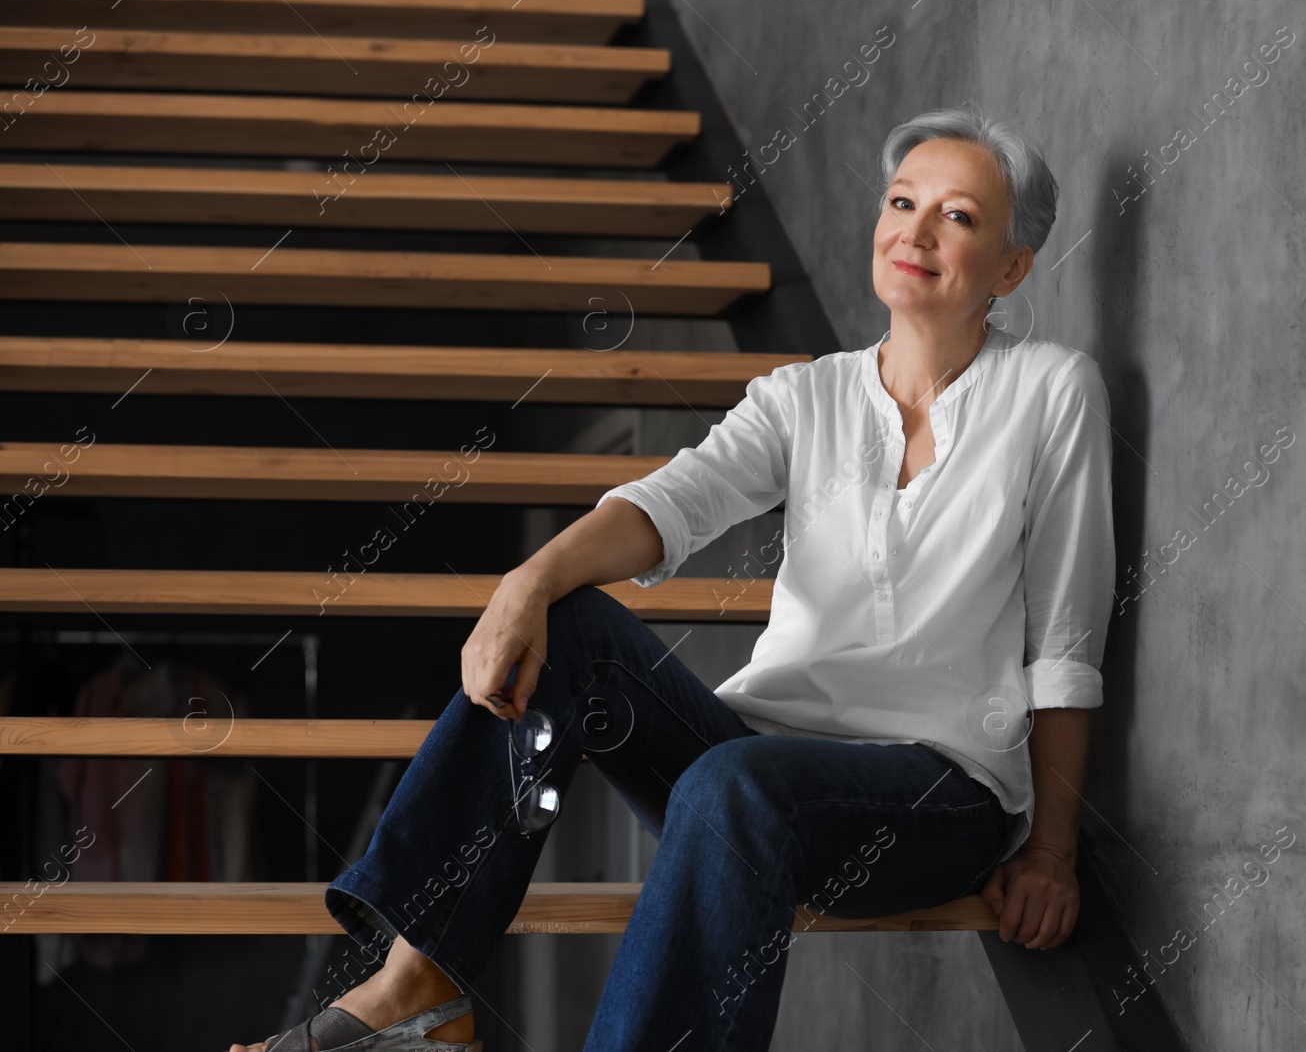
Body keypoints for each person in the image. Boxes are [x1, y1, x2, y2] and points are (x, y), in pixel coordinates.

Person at [229, 102, 1115, 1052]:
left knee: (739, 781)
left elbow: (1065, 641)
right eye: (903, 201)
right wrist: (524, 583)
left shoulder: (1053, 391)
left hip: (937, 794)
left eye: (960, 217)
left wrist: (1052, 851)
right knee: (571, 631)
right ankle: (418, 984)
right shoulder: (804, 395)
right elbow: (670, 504)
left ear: (1013, 267)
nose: (917, 230)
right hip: (747, 765)